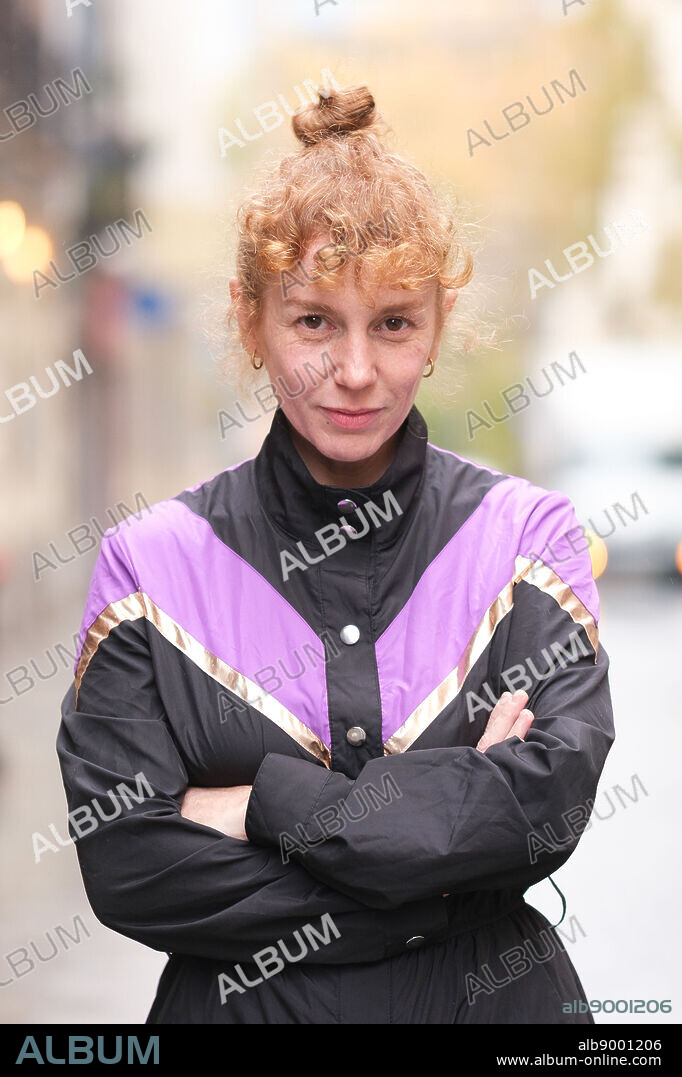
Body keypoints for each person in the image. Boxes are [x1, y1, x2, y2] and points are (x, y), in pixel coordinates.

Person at [56, 85, 614, 1025]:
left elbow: (547, 807)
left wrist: (261, 801)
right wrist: (443, 864)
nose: (355, 370)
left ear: (436, 325)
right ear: (249, 318)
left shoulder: (530, 536)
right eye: (315, 321)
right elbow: (128, 865)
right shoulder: (146, 568)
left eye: (393, 322)